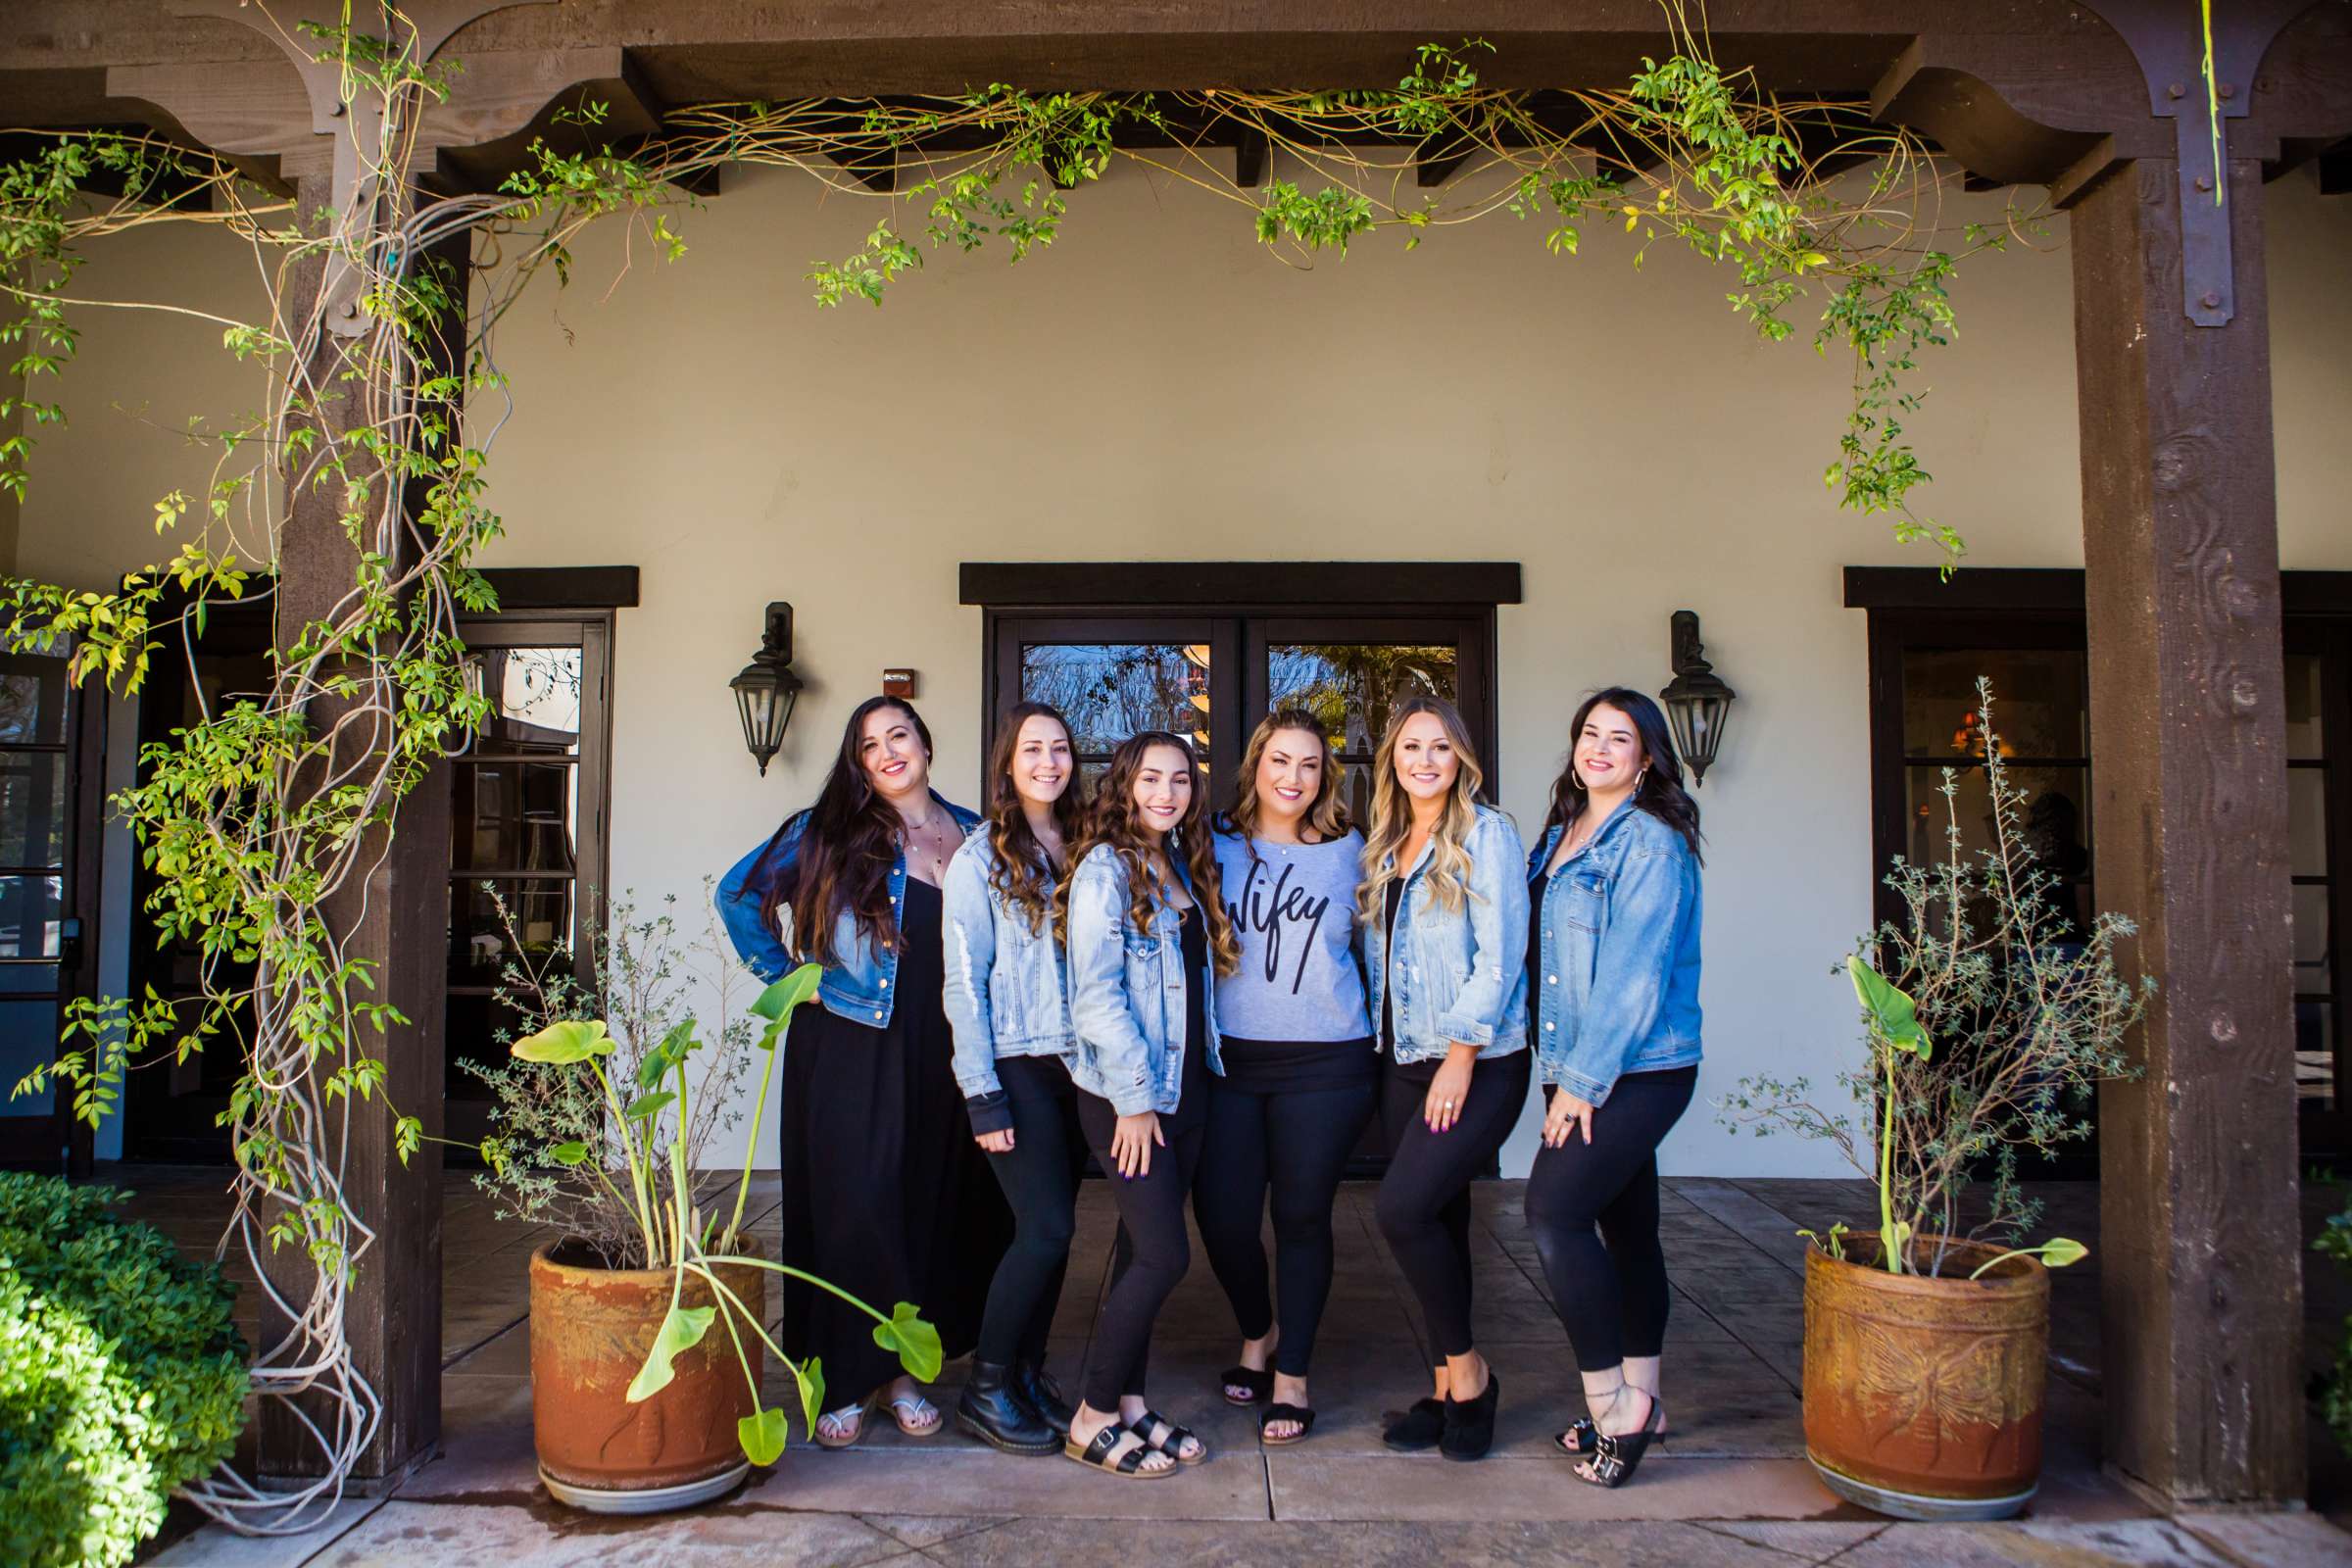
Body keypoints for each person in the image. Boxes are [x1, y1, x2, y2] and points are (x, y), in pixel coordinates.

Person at [715, 695, 1009, 1446]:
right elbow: (739, 895)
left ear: (925, 743)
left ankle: (905, 1373)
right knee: (857, 1203)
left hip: (945, 1042)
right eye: (870, 744)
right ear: (858, 761)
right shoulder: (829, 831)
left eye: (899, 735)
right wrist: (790, 977)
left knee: (927, 1199)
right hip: (849, 1038)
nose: (887, 753)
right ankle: (848, 1378)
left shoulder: (975, 834)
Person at [1521, 687, 1704, 1491]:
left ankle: (1613, 1404)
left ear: (1648, 756)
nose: (1597, 747)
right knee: (1629, 1228)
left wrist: (1582, 1087)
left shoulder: (1651, 843)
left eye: (1618, 737)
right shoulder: (1566, 834)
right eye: (1589, 732)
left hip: (1639, 1067)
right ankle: (1651, 1401)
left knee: (1553, 1214)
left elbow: (1634, 977)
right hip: (1582, 1064)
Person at [1056, 730, 1237, 1478]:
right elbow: (1096, 997)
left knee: (1139, 1249)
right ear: (1124, 785)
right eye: (1152, 779)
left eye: (1182, 781)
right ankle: (1093, 1414)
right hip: (1130, 1097)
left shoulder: (1179, 864)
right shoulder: (1105, 868)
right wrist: (1133, 1102)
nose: (1167, 793)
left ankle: (1131, 1404)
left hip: (1187, 1086)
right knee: (1165, 1254)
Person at [1196, 709, 1375, 1446]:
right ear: (1255, 767)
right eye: (1279, 761)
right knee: (1224, 1218)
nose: (1292, 777)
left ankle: (1292, 1373)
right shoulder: (1211, 844)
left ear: (1325, 776)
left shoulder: (1351, 851)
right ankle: (1258, 1328)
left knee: (1302, 1216)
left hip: (1328, 1061)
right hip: (1230, 1060)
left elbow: (1381, 946)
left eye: (1308, 765)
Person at [1359, 695, 1531, 1462]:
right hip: (1402, 1058)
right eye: (1409, 748)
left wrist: (1460, 1055)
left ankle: (1472, 1376)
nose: (1423, 761)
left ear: (1461, 757)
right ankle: (1442, 1386)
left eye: (1439, 747)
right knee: (1439, 1222)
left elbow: (1500, 958)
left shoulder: (1486, 834)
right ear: (1391, 759)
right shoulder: (1386, 841)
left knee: (1400, 1211)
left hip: (1476, 1062)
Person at [942, 702, 1089, 1454]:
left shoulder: (1091, 843)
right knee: (1045, 1227)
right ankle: (987, 1386)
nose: (1047, 762)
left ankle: (1028, 1372)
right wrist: (982, 1092)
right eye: (1033, 749)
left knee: (1059, 1236)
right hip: (1018, 1064)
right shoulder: (978, 858)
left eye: (1059, 749)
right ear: (1008, 762)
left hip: (1083, 1068)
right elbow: (965, 983)